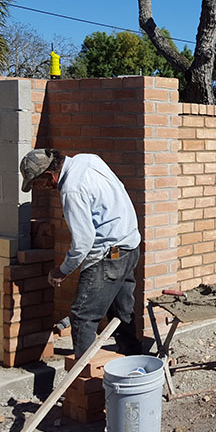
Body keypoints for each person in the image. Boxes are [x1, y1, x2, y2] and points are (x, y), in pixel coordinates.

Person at [19, 148, 145, 358]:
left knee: (82, 316)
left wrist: (62, 270)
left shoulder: (71, 190)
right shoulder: (87, 160)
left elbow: (83, 242)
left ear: (50, 175)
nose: (41, 188)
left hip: (110, 254)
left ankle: (84, 378)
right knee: (121, 311)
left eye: (38, 183)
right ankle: (134, 361)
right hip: (129, 247)